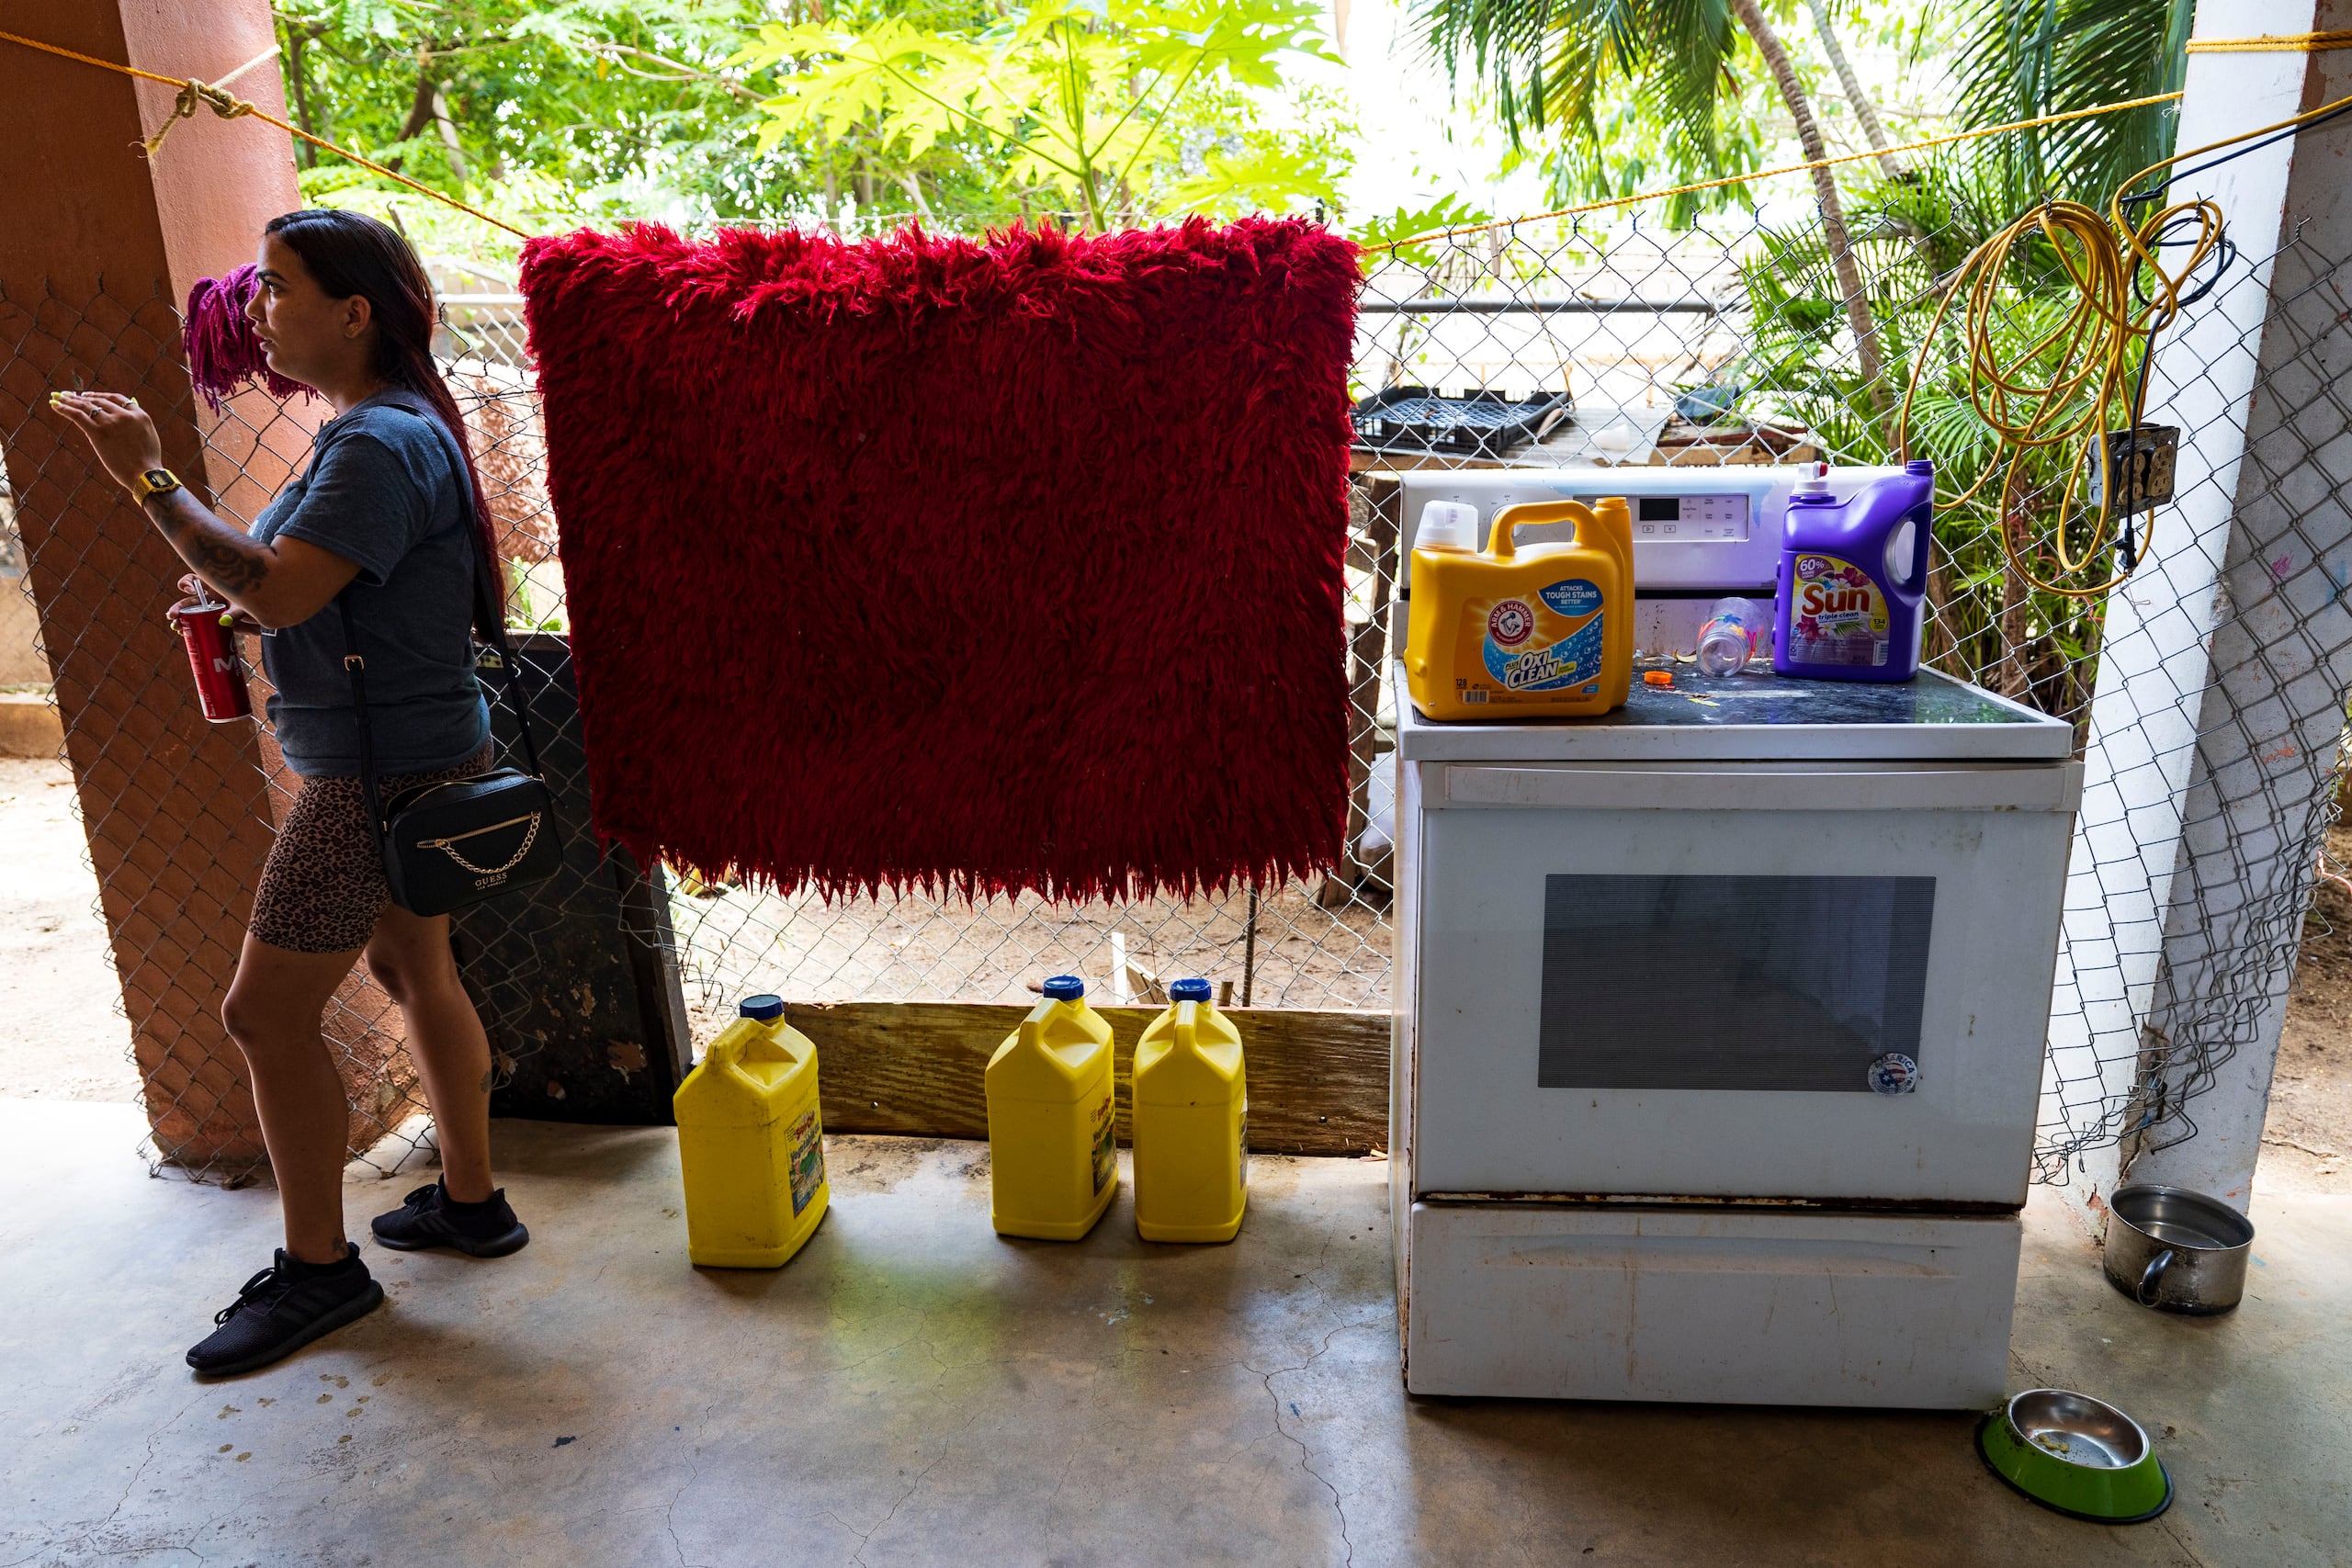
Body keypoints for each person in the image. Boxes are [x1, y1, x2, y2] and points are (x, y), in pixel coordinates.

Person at [53, 209, 529, 1379]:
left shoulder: (375, 445)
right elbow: (301, 587)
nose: (258, 308)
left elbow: (278, 594)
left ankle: (321, 1271)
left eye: (277, 287)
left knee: (261, 1016)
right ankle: (471, 1203)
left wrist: (149, 478)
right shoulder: (396, 426)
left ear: (352, 312)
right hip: (419, 746)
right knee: (414, 967)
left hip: (376, 774)